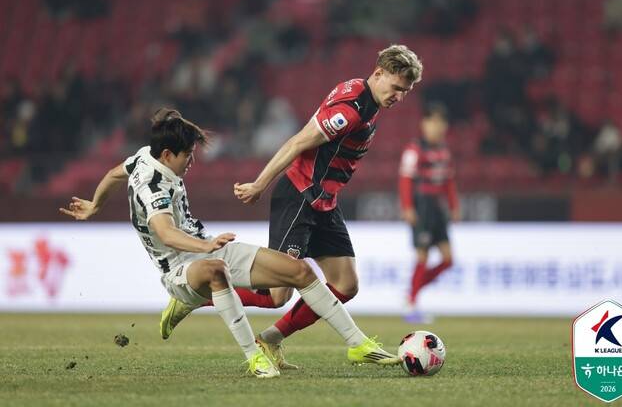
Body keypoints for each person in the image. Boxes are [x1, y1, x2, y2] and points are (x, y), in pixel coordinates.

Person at [59, 108, 400, 378]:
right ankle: (255, 358)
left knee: (299, 272)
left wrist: (95, 205)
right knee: (216, 270)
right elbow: (165, 233)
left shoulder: (143, 157)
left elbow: (113, 174)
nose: (191, 161)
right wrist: (204, 248)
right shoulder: (153, 186)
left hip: (206, 246)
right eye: (187, 155)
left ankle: (358, 344)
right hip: (178, 269)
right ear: (167, 154)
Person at [225, 44, 422, 369]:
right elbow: (298, 142)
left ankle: (270, 339)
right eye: (396, 87)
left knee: (346, 284)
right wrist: (260, 184)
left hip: (324, 203)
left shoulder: (365, 97)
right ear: (378, 73)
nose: (398, 97)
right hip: (300, 197)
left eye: (405, 92)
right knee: (276, 296)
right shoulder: (352, 111)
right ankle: (201, 291)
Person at [398, 105, 459, 323]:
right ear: (423, 125)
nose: (436, 127)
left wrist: (453, 206)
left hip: (437, 207)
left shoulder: (444, 151)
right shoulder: (414, 149)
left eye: (440, 123)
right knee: (422, 255)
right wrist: (407, 207)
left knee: (448, 259)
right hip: (421, 206)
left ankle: (412, 292)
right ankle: (412, 303)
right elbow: (405, 179)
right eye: (432, 122)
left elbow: (449, 181)